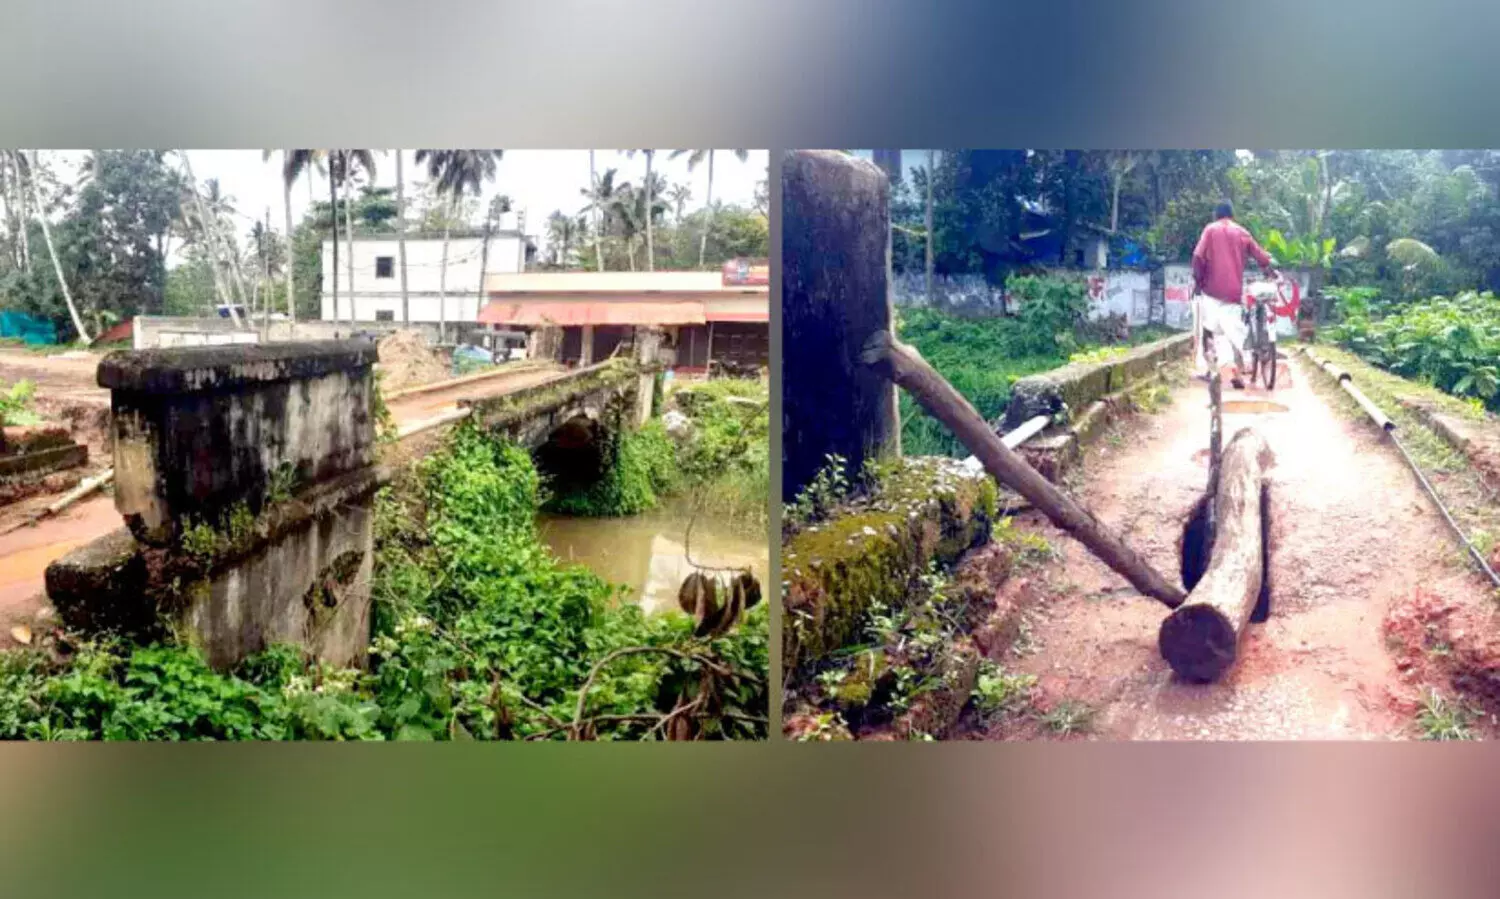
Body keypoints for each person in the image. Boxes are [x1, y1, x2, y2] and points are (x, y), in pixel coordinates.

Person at [1191, 202, 1277, 388]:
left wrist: (1198, 282)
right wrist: (1269, 271)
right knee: (1232, 332)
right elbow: (1261, 256)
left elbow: (1197, 256)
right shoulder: (1242, 232)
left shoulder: (1210, 230)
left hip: (1210, 291)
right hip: (1233, 292)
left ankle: (1214, 370)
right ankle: (1235, 371)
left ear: (1216, 214)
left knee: (1212, 331)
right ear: (1232, 215)